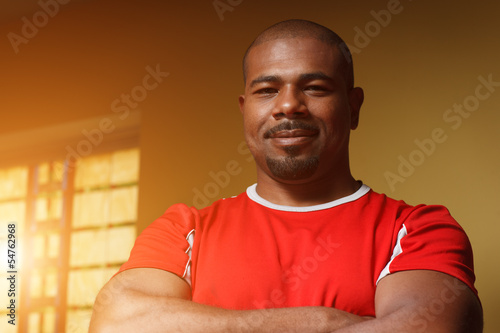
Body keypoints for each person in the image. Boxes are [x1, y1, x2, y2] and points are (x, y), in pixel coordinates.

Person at [89, 19, 483, 332]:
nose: (289, 105)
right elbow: (115, 324)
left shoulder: (418, 228)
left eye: (314, 87)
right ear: (245, 109)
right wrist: (323, 322)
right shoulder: (184, 230)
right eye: (267, 90)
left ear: (354, 106)